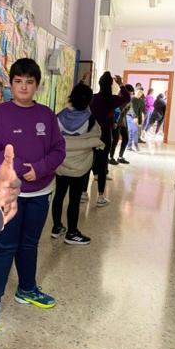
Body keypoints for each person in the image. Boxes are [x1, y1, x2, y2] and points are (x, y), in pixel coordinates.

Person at [0, 58, 65, 333]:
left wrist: (39, 168)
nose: (24, 86)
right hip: (8, 195)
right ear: (11, 83)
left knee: (30, 244)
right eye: (18, 81)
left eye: (29, 82)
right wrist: (12, 171)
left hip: (40, 192)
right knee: (3, 245)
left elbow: (59, 150)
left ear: (36, 86)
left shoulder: (47, 116)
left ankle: (27, 288)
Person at [50, 84, 104, 246]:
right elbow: (96, 138)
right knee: (74, 199)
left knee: (59, 195)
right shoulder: (91, 120)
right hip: (80, 167)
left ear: (71, 98)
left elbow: (52, 137)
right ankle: (72, 232)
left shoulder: (59, 116)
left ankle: (57, 227)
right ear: (89, 100)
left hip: (61, 164)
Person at [89, 72, 131, 207]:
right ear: (111, 85)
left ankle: (83, 193)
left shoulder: (93, 98)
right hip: (105, 135)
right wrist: (121, 84)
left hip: (91, 134)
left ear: (99, 84)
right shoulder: (112, 99)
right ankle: (100, 196)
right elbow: (127, 97)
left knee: (88, 162)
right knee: (102, 164)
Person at [109, 84, 134, 165]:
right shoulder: (119, 99)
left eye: (131, 93)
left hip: (122, 121)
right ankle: (110, 157)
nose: (130, 95)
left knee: (126, 138)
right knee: (115, 139)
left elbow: (125, 111)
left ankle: (120, 157)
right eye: (129, 93)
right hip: (116, 121)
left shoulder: (128, 100)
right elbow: (117, 111)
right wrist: (115, 122)